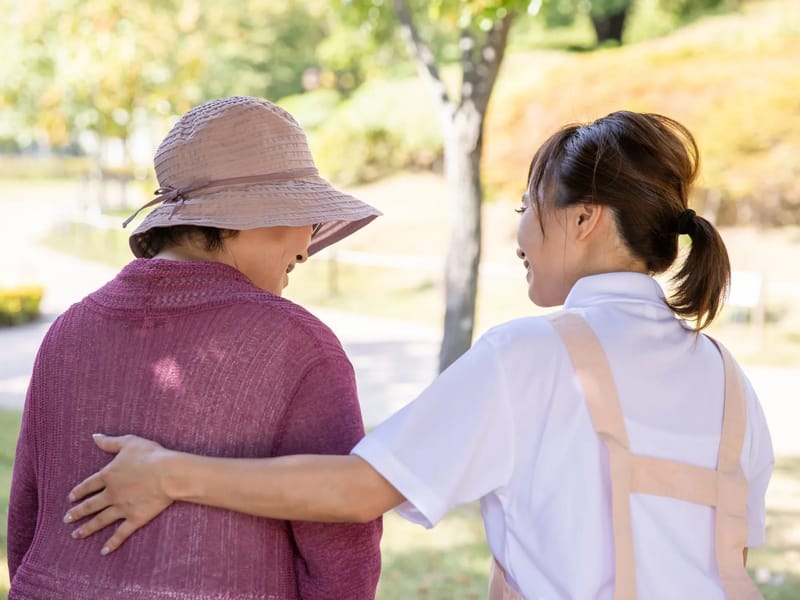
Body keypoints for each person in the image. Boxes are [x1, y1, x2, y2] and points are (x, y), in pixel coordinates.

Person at [64, 111, 773, 599]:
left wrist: (169, 475)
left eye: (526, 207)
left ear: (585, 219)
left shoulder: (532, 356)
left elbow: (358, 490)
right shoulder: (730, 383)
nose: (518, 232)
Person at [8, 96, 384, 599]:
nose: (305, 246)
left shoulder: (69, 329)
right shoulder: (299, 346)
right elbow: (340, 546)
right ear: (250, 218)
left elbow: (27, 521)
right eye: (304, 218)